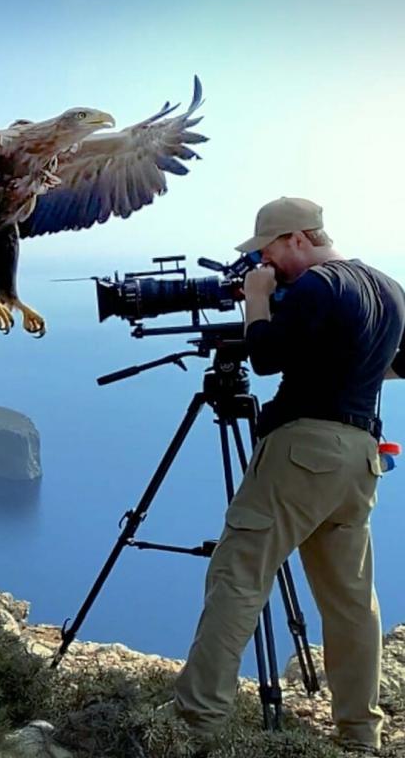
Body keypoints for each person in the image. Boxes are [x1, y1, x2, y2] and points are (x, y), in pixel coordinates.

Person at [171, 196, 405, 755]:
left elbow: (267, 357)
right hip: (360, 456)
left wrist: (257, 302)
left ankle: (195, 724)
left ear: (298, 238)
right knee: (350, 601)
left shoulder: (319, 286)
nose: (265, 264)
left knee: (239, 578)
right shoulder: (388, 287)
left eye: (268, 251)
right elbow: (402, 363)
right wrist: (343, 365)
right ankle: (359, 734)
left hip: (304, 449)